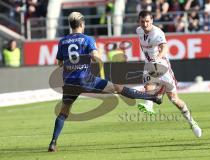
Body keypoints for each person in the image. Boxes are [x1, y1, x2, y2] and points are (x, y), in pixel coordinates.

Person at [48, 12, 162, 152]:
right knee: (118, 88)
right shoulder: (87, 39)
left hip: (69, 83)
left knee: (63, 113)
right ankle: (152, 97)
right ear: (82, 24)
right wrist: (96, 54)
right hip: (85, 80)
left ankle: (53, 142)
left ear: (71, 26)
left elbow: (59, 63)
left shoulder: (63, 41)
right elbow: (96, 58)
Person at [136, 10, 202, 138]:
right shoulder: (139, 30)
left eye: (147, 21)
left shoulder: (157, 33)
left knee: (174, 99)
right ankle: (149, 105)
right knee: (148, 85)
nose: (145, 24)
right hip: (150, 65)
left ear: (152, 21)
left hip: (162, 65)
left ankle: (192, 122)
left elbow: (165, 47)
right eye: (142, 21)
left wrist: (158, 58)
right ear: (139, 21)